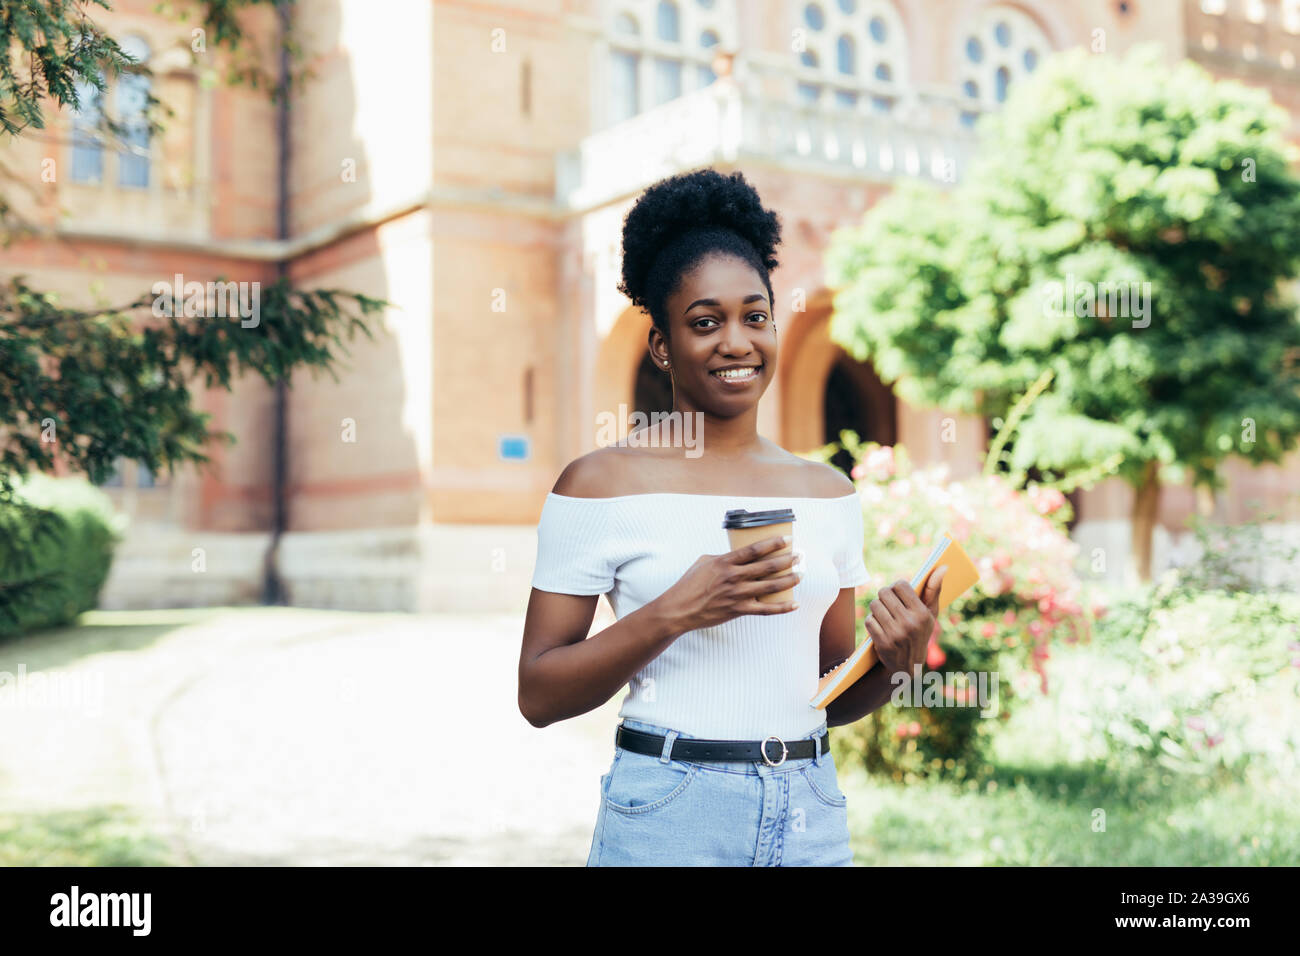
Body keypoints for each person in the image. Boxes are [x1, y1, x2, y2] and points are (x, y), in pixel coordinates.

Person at [518, 167, 946, 866]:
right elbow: (538, 693)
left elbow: (827, 694)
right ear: (662, 346)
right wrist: (677, 610)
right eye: (705, 322)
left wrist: (896, 664)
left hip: (811, 808)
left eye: (755, 316)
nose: (737, 342)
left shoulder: (827, 493)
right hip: (669, 813)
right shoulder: (600, 484)